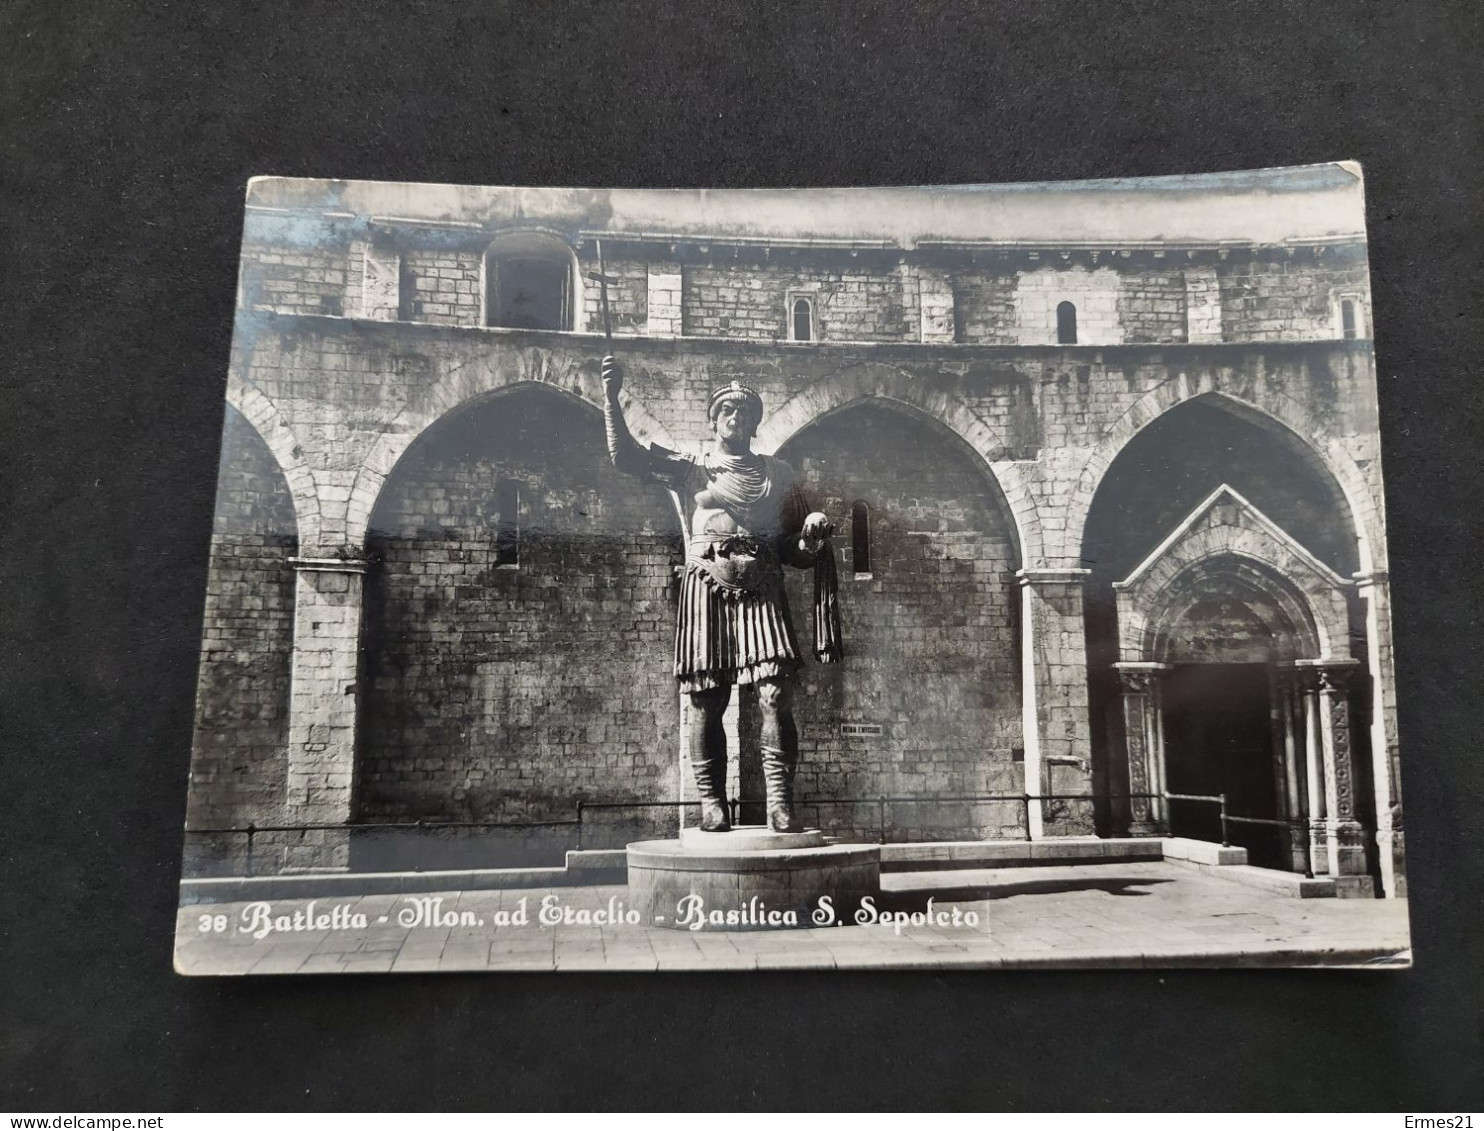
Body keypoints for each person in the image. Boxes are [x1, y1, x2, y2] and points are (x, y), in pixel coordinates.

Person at [601, 355, 841, 833]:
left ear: (754, 424)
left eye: (745, 413)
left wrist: (812, 537)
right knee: (707, 699)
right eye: (727, 412)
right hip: (707, 584)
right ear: (713, 421)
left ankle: (779, 802)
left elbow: (794, 551)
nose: (736, 418)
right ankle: (712, 802)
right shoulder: (692, 469)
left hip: (763, 584)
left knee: (774, 693)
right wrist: (611, 398)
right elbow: (625, 457)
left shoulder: (779, 474)